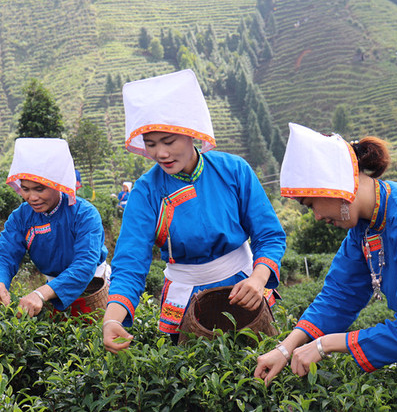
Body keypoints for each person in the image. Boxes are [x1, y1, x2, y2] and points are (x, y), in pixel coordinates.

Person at [102, 69, 286, 352]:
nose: (161, 153)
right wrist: (112, 319)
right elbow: (130, 264)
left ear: (191, 133)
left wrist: (258, 279)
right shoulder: (146, 192)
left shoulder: (233, 170)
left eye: (168, 141)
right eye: (151, 144)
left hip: (242, 285)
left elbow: (269, 236)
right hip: (184, 297)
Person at [254, 122, 397, 384]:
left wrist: (325, 344)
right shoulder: (364, 229)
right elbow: (339, 296)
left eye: (312, 204)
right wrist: (285, 348)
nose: (318, 216)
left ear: (335, 186)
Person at [0, 138, 109, 318]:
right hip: (50, 290)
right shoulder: (21, 217)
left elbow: (85, 264)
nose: (32, 197)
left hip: (92, 284)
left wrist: (39, 294)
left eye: (39, 189)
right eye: (26, 189)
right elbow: (4, 255)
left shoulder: (84, 214)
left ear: (57, 184)